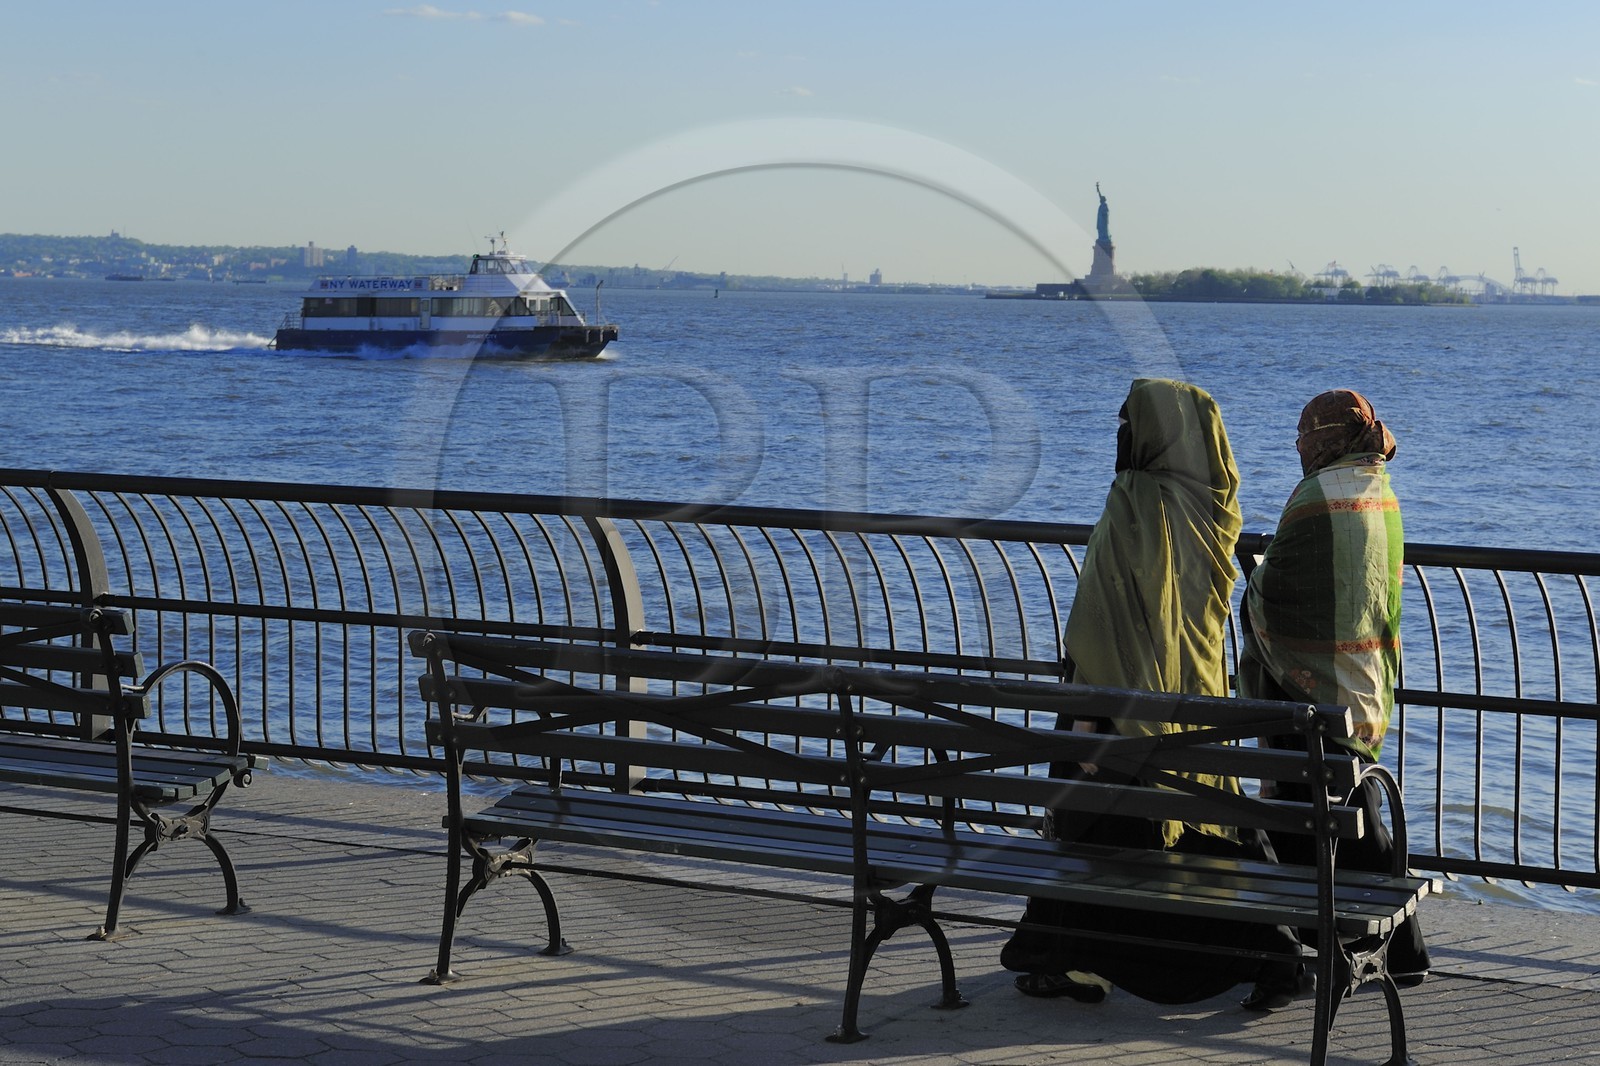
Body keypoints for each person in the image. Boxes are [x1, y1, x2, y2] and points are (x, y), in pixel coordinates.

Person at [1001, 378, 1304, 1005]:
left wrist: (1087, 726)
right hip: (1198, 704)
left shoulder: (1134, 501)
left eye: (1127, 423)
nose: (1121, 434)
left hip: (1119, 708)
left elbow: (1100, 615)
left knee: (1094, 822)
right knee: (1207, 825)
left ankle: (1078, 959)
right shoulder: (1216, 507)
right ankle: (1266, 955)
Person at [1236, 388, 1430, 1001]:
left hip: (1308, 684)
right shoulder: (1381, 489)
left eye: (1304, 436)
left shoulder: (1316, 493)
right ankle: (1401, 947)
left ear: (1321, 438)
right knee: (1359, 808)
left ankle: (1301, 952)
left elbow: (1278, 589)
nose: (1300, 447)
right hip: (1365, 675)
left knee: (1302, 815)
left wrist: (1254, 585)